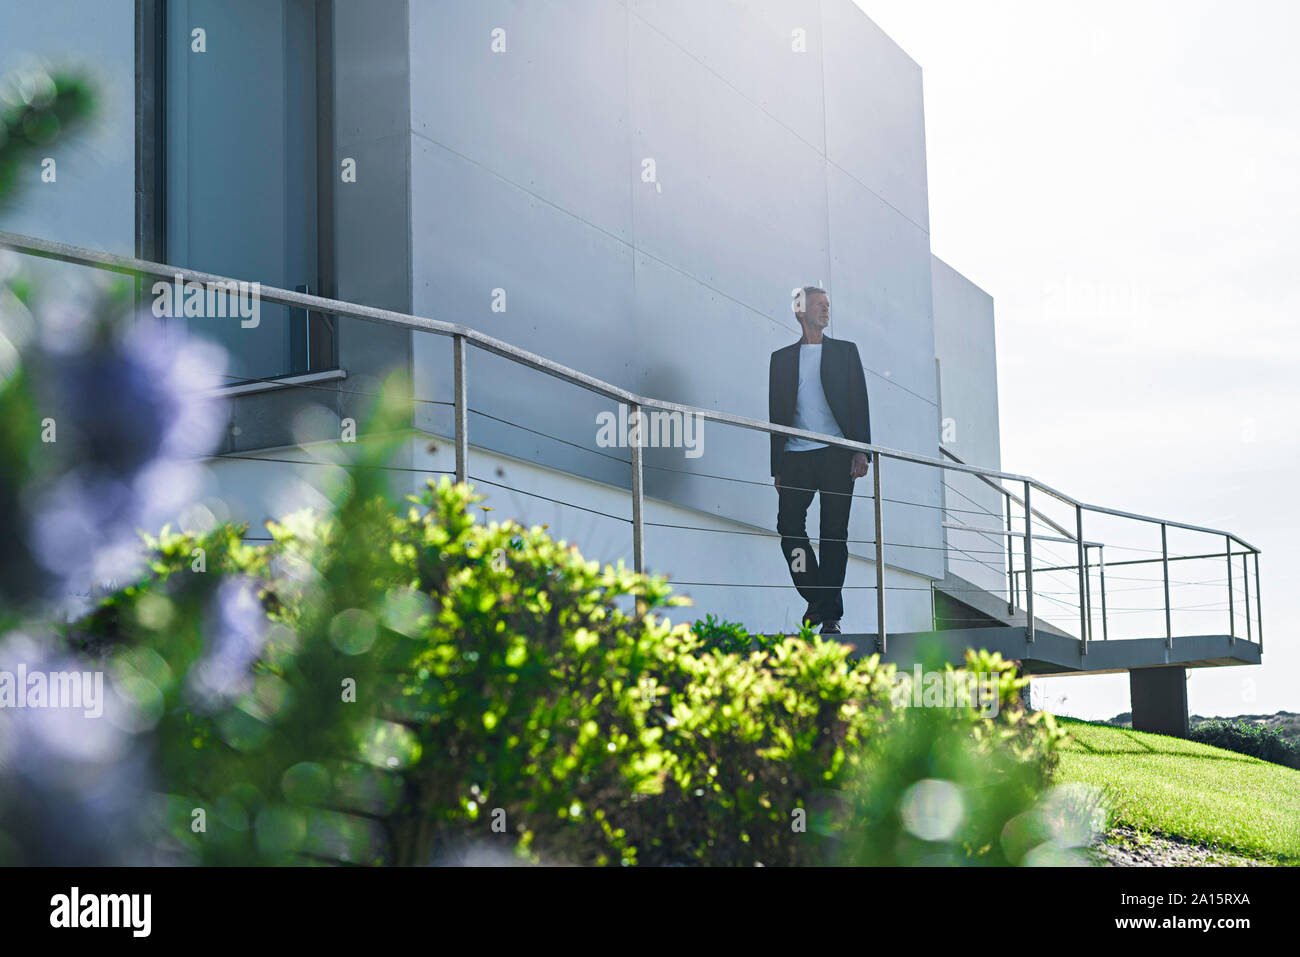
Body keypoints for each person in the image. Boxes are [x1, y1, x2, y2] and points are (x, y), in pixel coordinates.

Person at [768, 286, 872, 635]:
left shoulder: (845, 353)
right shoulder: (780, 359)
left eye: (828, 305)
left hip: (836, 454)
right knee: (789, 529)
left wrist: (861, 450)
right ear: (800, 311)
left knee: (833, 535)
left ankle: (830, 615)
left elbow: (859, 401)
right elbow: (775, 415)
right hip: (796, 455)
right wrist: (777, 466)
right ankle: (815, 596)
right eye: (819, 305)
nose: (826, 310)